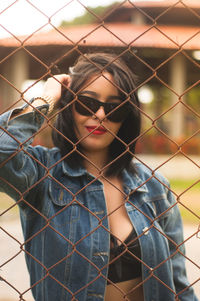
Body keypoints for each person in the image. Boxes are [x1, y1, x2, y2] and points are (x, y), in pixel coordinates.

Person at [0, 52, 198, 301]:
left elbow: (178, 285)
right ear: (68, 106)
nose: (101, 115)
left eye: (115, 108)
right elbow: (2, 150)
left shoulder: (154, 186)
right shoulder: (43, 175)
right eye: (87, 103)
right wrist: (46, 97)